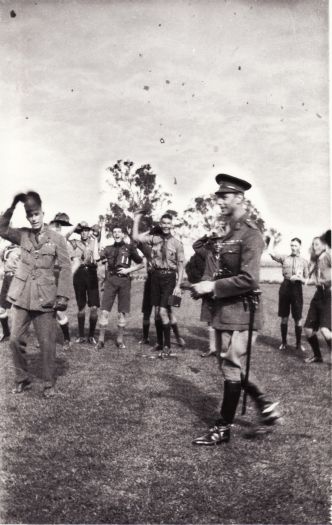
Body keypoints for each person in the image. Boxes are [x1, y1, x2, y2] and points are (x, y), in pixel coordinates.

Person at [191, 174, 280, 446]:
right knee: (229, 364)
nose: (219, 201)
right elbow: (217, 268)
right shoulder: (227, 234)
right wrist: (202, 284)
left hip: (243, 312)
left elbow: (249, 278)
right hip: (224, 311)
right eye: (218, 196)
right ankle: (266, 408)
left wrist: (212, 288)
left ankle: (222, 428)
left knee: (231, 365)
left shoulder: (251, 234)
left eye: (225, 196)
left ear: (240, 198)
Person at [0, 192, 73, 397]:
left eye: (36, 214)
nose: (33, 218)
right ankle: (22, 378)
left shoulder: (57, 239)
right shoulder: (23, 235)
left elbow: (66, 268)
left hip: (46, 297)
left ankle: (49, 384)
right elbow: (1, 228)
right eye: (30, 215)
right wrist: (13, 205)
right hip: (22, 296)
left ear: (43, 213)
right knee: (14, 340)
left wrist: (63, 296)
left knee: (47, 343)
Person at [133, 212, 185, 355]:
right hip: (155, 277)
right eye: (164, 223)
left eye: (169, 223)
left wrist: (178, 285)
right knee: (157, 313)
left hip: (169, 278)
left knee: (163, 311)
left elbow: (180, 267)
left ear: (172, 225)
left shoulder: (177, 243)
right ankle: (159, 343)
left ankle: (167, 345)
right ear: (160, 224)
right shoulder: (154, 239)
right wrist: (137, 219)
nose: (166, 226)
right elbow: (136, 238)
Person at [96, 225, 144, 349]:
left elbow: (142, 263)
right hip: (110, 280)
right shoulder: (108, 248)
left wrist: (129, 270)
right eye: (114, 232)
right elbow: (96, 258)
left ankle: (120, 340)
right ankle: (101, 340)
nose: (116, 234)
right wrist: (96, 240)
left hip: (124, 281)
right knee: (105, 311)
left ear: (123, 234)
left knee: (122, 312)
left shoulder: (129, 248)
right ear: (113, 235)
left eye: (119, 232)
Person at [269, 238, 309, 351]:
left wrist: (300, 278)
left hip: (297, 288)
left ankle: (298, 344)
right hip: (285, 287)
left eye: (296, 245)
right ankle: (284, 343)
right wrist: (273, 239)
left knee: (298, 318)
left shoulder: (304, 261)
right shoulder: (284, 258)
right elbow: (271, 253)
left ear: (300, 247)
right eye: (292, 245)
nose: (293, 248)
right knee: (284, 317)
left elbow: (307, 279)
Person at [49, 212, 80, 350]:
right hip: (45, 277)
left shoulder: (63, 242)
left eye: (59, 226)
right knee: (44, 310)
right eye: (55, 225)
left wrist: (66, 276)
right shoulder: (46, 240)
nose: (57, 228)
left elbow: (77, 261)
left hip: (58, 276)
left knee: (59, 309)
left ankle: (67, 339)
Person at [67, 221, 100, 344]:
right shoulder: (75, 243)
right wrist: (76, 226)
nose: (84, 232)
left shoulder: (94, 242)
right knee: (81, 307)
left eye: (87, 230)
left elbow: (97, 258)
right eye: (82, 230)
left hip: (92, 274)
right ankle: (81, 335)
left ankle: (91, 336)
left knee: (94, 307)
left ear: (89, 231)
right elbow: (64, 238)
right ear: (80, 232)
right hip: (79, 275)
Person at [303, 233, 331, 363]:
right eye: (313, 245)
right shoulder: (317, 260)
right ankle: (317, 356)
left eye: (317, 244)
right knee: (308, 330)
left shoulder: (329, 255)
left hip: (329, 295)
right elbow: (313, 278)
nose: (315, 247)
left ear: (324, 245)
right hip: (318, 295)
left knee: (325, 330)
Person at [0, 243, 21, 342]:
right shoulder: (6, 247)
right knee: (1, 308)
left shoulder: (23, 248)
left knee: (19, 309)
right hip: (6, 278)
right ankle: (6, 333)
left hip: (16, 278)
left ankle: (19, 336)